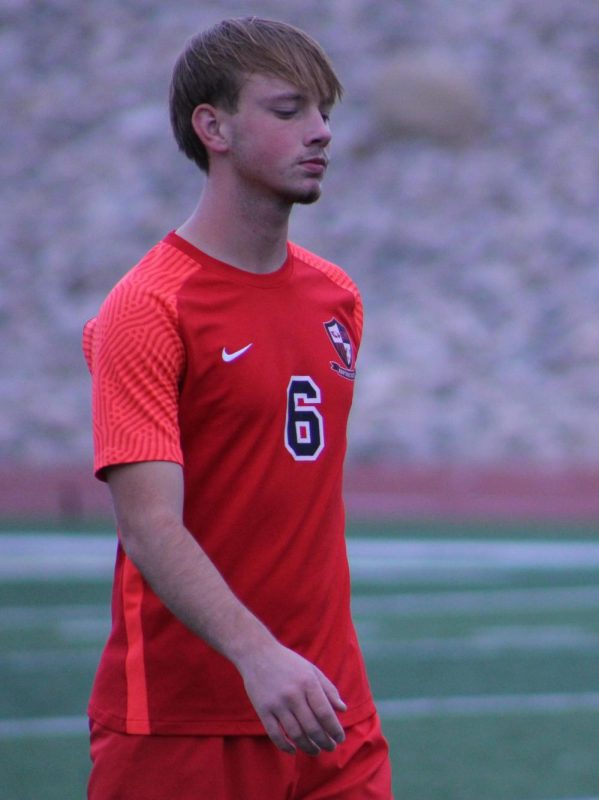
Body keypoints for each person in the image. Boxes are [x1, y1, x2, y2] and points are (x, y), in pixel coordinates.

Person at [82, 17, 391, 799]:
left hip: (329, 710)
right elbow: (150, 524)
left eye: (325, 112)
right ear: (212, 127)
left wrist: (299, 667)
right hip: (186, 723)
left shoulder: (338, 298)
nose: (320, 133)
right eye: (289, 112)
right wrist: (258, 656)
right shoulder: (148, 307)